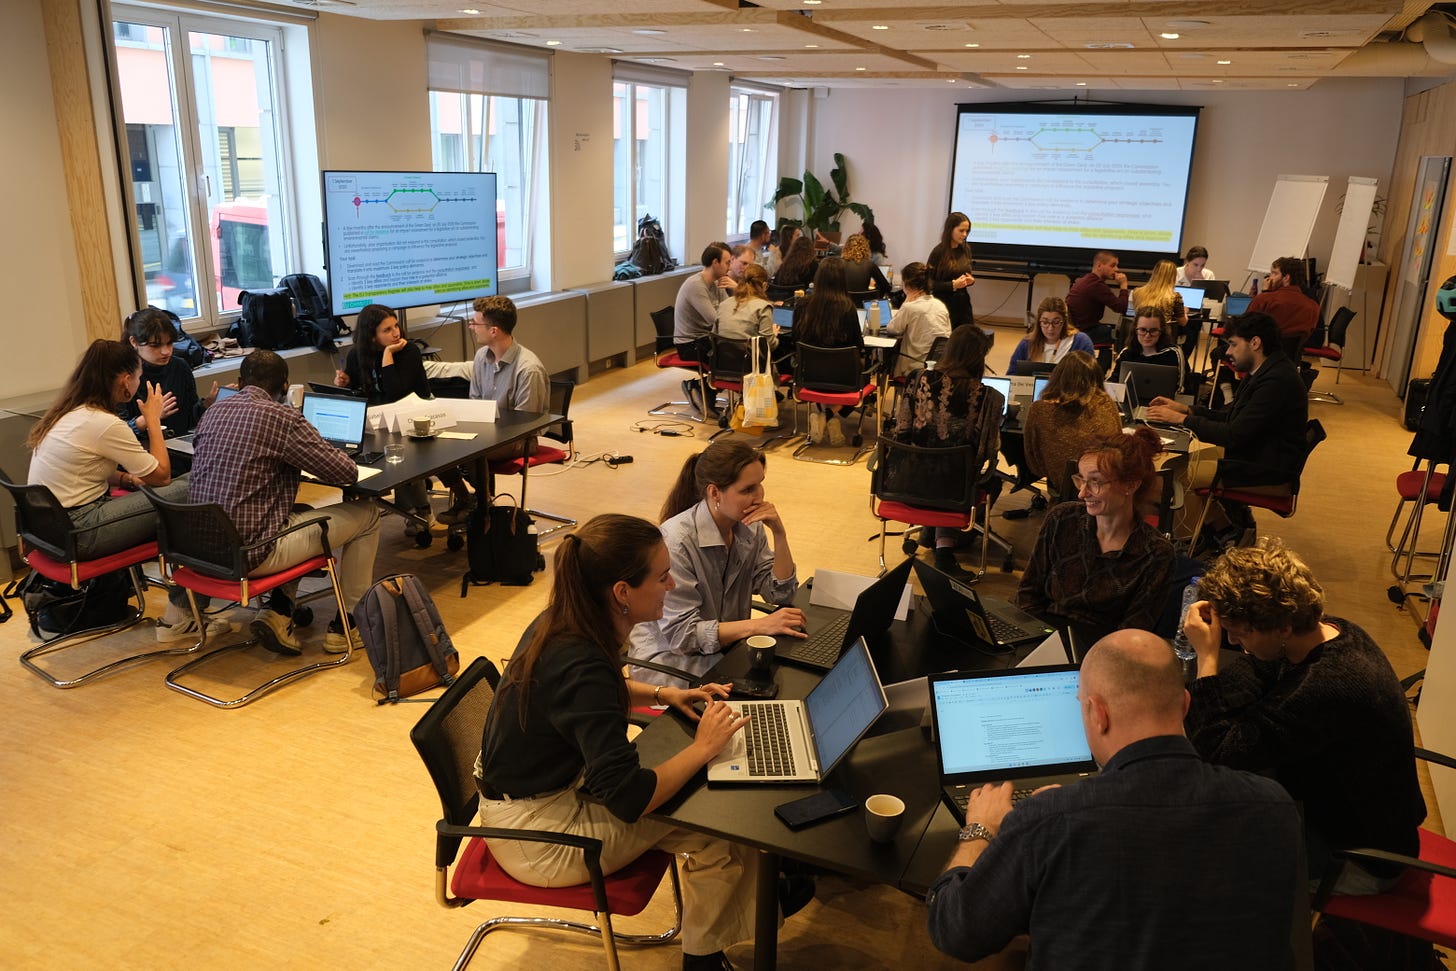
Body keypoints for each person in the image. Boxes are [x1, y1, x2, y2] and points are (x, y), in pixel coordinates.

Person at [478, 514, 792, 971]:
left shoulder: (567, 620)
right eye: (662, 576)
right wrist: (703, 748)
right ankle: (706, 961)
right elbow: (629, 797)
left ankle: (752, 912)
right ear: (622, 592)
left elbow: (590, 696)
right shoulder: (580, 658)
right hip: (536, 836)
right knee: (721, 830)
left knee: (721, 813)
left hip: (546, 795)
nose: (673, 583)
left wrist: (664, 693)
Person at [926, 629, 1301, 970]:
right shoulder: (1275, 806)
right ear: (1185, 705)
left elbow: (956, 932)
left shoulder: (1050, 818)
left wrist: (980, 829)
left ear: (1098, 713)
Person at [1182, 541, 1426, 894]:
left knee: (1208, 863)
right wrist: (1215, 694)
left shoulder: (1325, 685)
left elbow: (1219, 751)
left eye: (1241, 632)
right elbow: (1259, 670)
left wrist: (1206, 660)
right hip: (1350, 813)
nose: (1234, 641)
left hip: (1359, 856)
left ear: (1281, 627)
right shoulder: (1330, 632)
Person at [26, 339, 229, 641]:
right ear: (125, 380)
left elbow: (82, 470)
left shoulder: (69, 414)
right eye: (137, 376)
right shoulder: (105, 423)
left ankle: (184, 608)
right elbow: (161, 476)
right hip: (82, 531)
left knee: (173, 504)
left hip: (51, 533)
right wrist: (154, 420)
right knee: (196, 484)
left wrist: (125, 480)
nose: (139, 382)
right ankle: (181, 615)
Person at [189, 348, 380, 654]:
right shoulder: (283, 417)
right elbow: (345, 471)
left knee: (300, 511)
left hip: (198, 550)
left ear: (239, 381)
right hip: (249, 554)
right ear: (284, 386)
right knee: (368, 514)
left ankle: (279, 613)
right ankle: (347, 627)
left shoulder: (213, 411)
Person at [627, 442, 804, 686]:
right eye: (747, 489)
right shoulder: (676, 542)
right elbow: (683, 637)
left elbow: (780, 593)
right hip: (670, 661)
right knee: (767, 685)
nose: (759, 496)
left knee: (785, 674)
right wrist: (758, 625)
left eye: (760, 484)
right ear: (714, 493)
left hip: (721, 650)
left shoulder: (750, 525)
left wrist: (780, 535)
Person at [1143, 312, 1308, 545]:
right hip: (1258, 456)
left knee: (1177, 478)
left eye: (1232, 344)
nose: (1228, 352)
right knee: (1174, 467)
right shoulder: (1266, 372)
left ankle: (1198, 540)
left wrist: (1181, 421)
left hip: (1262, 467)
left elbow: (1232, 435)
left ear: (1255, 343)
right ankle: (1225, 528)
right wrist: (1186, 410)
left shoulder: (1276, 382)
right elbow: (1231, 417)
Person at [1017, 429, 1174, 643]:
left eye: (1096, 482)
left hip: (1103, 652)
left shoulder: (1155, 554)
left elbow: (1132, 633)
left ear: (1131, 485)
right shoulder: (1062, 519)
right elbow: (1028, 594)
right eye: (1080, 479)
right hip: (1042, 635)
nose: (1082, 493)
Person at [886, 326, 1002, 577]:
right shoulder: (989, 397)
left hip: (904, 484)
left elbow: (901, 432)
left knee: (939, 470)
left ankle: (935, 535)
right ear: (979, 357)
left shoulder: (917, 378)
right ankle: (945, 550)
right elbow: (988, 454)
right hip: (954, 493)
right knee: (988, 480)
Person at [437, 295, 550, 525]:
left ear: (494, 331)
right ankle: (467, 498)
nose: (471, 327)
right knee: (437, 444)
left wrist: (482, 437)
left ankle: (482, 504)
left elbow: (525, 425)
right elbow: (475, 402)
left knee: (468, 450)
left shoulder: (529, 370)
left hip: (520, 439)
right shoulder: (481, 357)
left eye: (475, 323)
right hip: (488, 432)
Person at [334, 304, 436, 535]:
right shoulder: (356, 354)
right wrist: (344, 382)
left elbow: (397, 394)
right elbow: (356, 391)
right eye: (387, 329)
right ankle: (359, 508)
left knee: (404, 451)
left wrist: (388, 355)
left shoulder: (408, 351)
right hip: (376, 418)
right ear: (372, 335)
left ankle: (421, 509)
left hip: (411, 418)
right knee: (352, 449)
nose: (396, 333)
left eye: (396, 326)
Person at [1022, 351, 1122, 498]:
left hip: (1060, 485)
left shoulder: (1039, 410)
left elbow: (1032, 459)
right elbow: (1119, 446)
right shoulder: (1106, 404)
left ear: (1057, 377)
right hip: (1103, 486)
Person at [791, 256, 865, 446]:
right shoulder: (848, 308)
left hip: (809, 377)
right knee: (864, 372)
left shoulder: (802, 305)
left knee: (823, 366)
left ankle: (825, 415)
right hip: (843, 380)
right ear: (842, 280)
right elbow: (858, 346)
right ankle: (830, 416)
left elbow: (795, 340)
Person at [119, 307, 219, 442]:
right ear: (134, 342)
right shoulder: (122, 374)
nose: (166, 352)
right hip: (142, 452)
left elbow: (189, 419)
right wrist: (149, 418)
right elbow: (116, 434)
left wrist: (207, 404)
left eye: (170, 343)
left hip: (179, 447)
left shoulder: (180, 367)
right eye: (155, 346)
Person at [885, 261, 951, 377]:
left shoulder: (910, 307)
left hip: (914, 368)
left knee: (885, 358)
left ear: (907, 284)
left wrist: (906, 301)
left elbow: (892, 329)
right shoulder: (940, 305)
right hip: (939, 368)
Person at [1249, 256, 1320, 361]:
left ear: (1286, 278)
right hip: (1290, 363)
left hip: (1259, 358)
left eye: (1274, 273)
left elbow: (1245, 327)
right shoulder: (1314, 306)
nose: (1269, 277)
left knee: (1219, 351)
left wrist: (1265, 293)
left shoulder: (1265, 299)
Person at [674, 242, 733, 366]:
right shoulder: (696, 285)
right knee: (736, 353)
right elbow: (716, 320)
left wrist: (737, 289)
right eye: (727, 262)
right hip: (690, 345)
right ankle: (707, 384)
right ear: (715, 263)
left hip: (706, 338)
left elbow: (730, 310)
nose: (730, 267)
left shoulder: (717, 282)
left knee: (742, 348)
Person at [1008, 296, 1094, 371]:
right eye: (1045, 322)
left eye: (1056, 322)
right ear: (1039, 322)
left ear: (1064, 321)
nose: (1050, 328)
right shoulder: (1027, 343)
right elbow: (1012, 375)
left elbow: (1091, 377)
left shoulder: (1081, 342)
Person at [1066, 251, 1130, 349]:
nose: (1117, 269)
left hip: (1076, 328)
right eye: (1112, 265)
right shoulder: (1096, 285)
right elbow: (1121, 307)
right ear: (1099, 265)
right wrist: (1123, 285)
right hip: (1084, 332)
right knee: (1123, 334)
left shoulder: (1088, 280)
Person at [1113, 306, 1185, 391]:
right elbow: (1113, 382)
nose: (1147, 335)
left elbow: (1181, 388)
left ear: (1161, 331)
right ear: (1135, 330)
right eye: (1142, 330)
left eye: (1153, 330)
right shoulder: (1126, 353)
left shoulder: (1173, 354)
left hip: (1165, 402)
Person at [1127, 259, 1189, 353]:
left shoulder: (1137, 292)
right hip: (1161, 341)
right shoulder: (1174, 297)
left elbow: (1131, 314)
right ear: (1173, 277)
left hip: (1139, 337)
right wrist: (1185, 312)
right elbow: (1182, 322)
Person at [926, 211, 975, 329]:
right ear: (950, 229)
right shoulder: (938, 252)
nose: (964, 235)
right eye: (961, 230)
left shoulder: (965, 249)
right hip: (943, 305)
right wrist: (952, 285)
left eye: (967, 231)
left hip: (963, 305)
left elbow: (967, 273)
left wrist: (971, 280)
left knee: (966, 341)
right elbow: (927, 283)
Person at [715, 263, 776, 350]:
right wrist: (774, 334)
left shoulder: (724, 304)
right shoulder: (763, 307)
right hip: (751, 362)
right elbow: (768, 345)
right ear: (764, 285)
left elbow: (713, 335)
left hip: (721, 361)